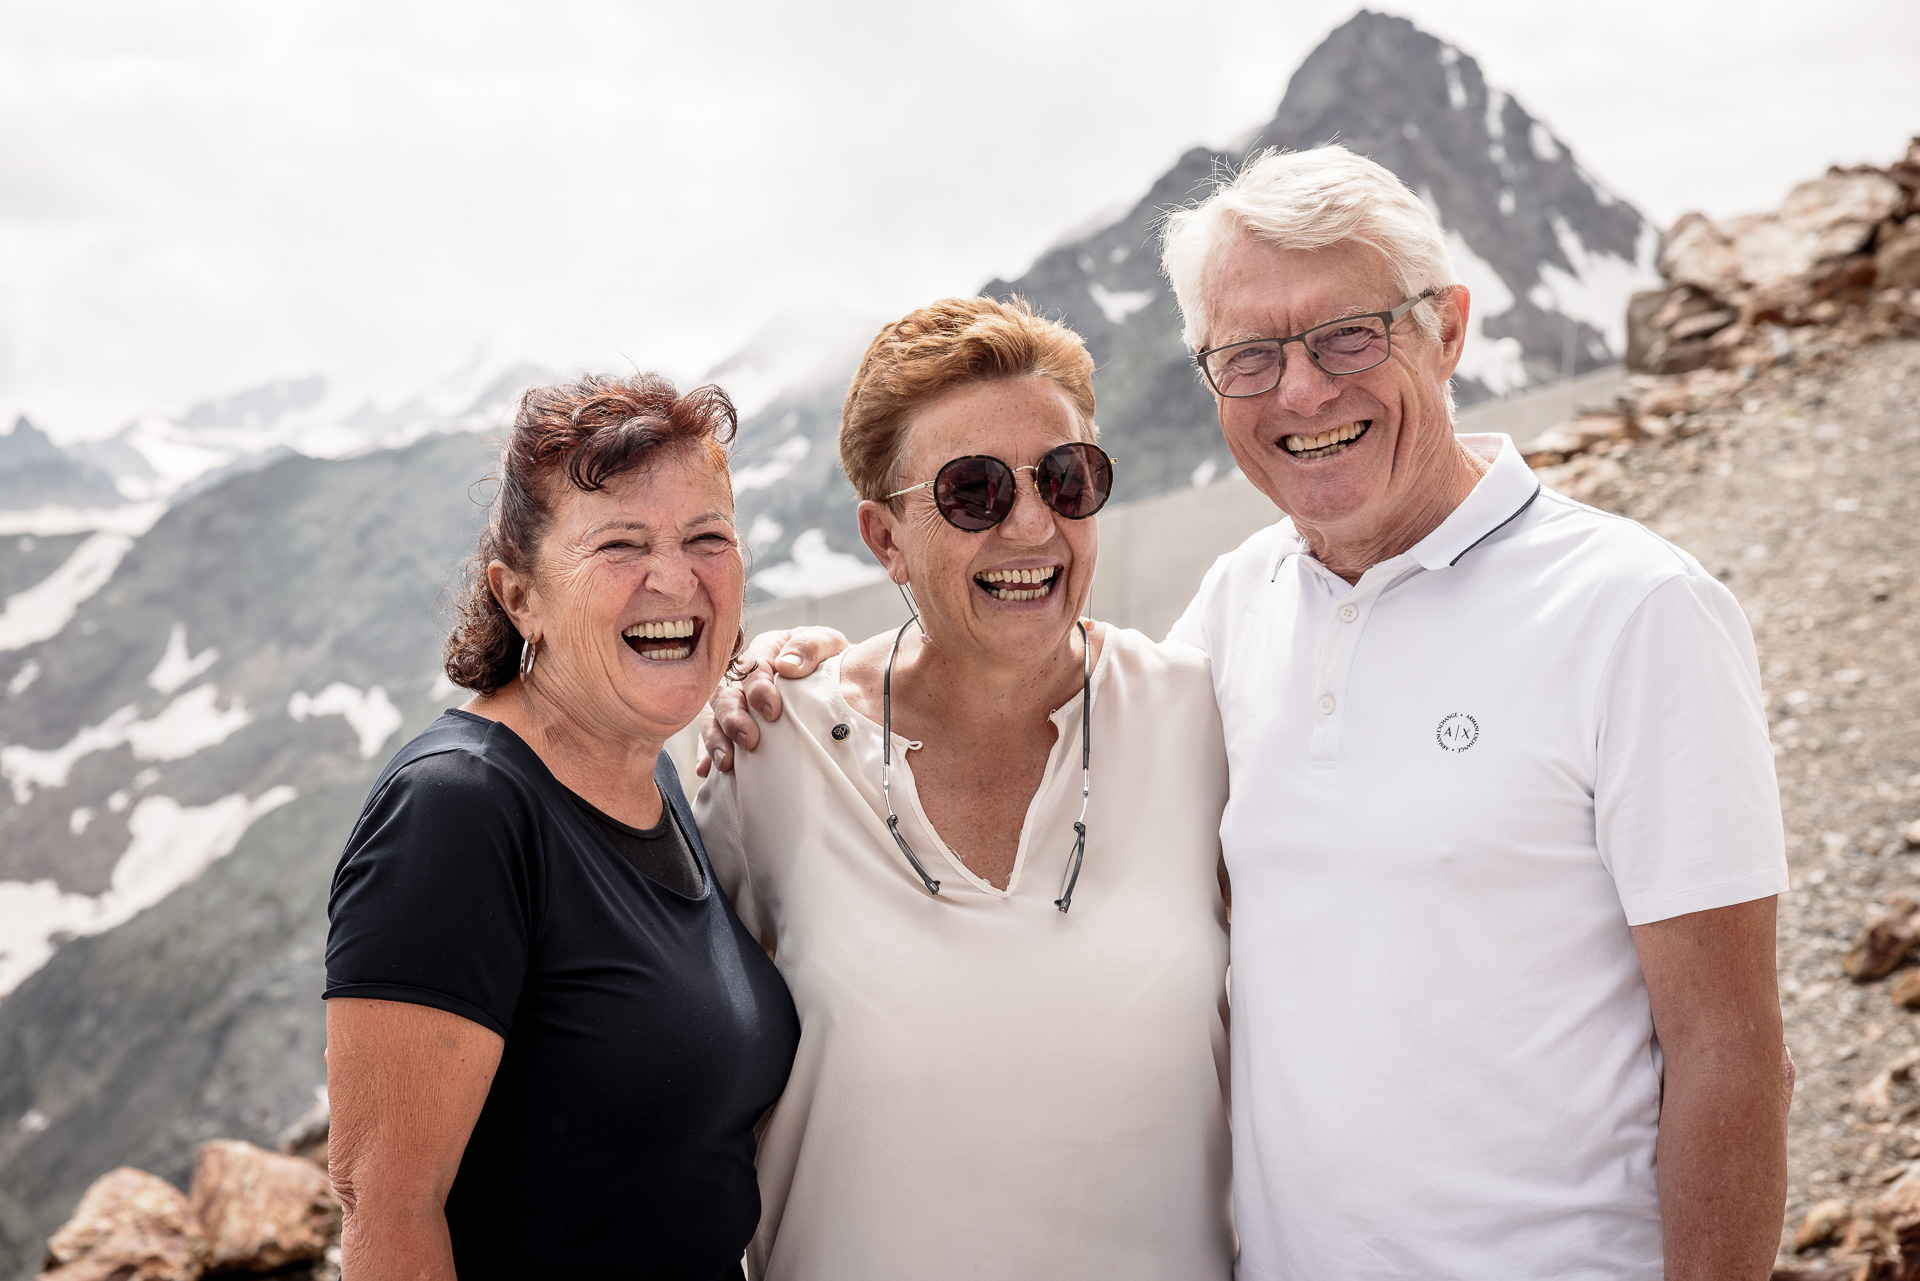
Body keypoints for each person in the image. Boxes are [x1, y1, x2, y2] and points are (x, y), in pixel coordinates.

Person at [711, 146, 1793, 1281]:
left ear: (1450, 329)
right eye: (1251, 356)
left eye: (1348, 335)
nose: (1304, 392)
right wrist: (794, 669)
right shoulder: (1234, 615)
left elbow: (1730, 1052)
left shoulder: (1636, 611)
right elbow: (1031, 689)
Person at [692, 296, 1233, 1280]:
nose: (1033, 525)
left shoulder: (1201, 716)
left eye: (1066, 480)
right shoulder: (775, 746)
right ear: (885, 538)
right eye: (972, 493)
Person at [324, 373, 799, 1281]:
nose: (674, 577)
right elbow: (385, 1208)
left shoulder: (650, 773)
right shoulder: (459, 808)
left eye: (707, 537)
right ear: (519, 595)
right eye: (621, 545)